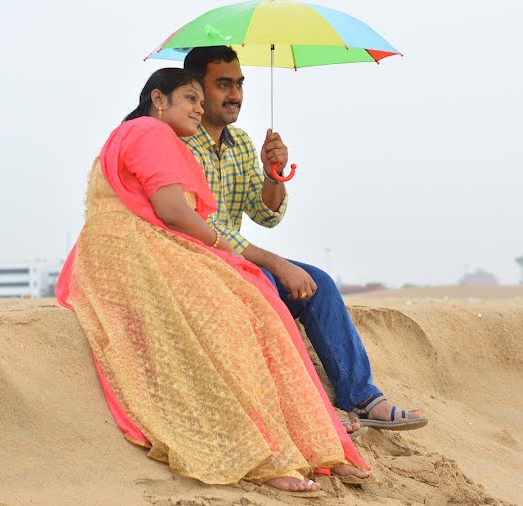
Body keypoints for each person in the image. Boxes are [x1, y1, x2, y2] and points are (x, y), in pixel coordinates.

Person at [55, 68, 371, 497]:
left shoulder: (212, 141)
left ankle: (319, 441)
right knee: (237, 316)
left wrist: (273, 173)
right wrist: (221, 245)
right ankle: (266, 453)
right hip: (133, 252)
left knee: (262, 302)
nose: (200, 108)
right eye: (191, 98)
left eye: (201, 102)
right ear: (158, 99)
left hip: (141, 248)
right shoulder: (150, 132)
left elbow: (265, 216)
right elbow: (171, 210)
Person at [182, 47, 427, 432]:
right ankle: (310, 413)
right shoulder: (179, 142)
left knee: (319, 285)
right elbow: (206, 226)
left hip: (241, 267)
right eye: (224, 84)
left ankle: (361, 396)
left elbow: (265, 214)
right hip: (198, 270)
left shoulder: (242, 142)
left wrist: (273, 174)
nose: (236, 95)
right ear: (196, 88)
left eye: (240, 84)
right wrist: (278, 264)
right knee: (276, 291)